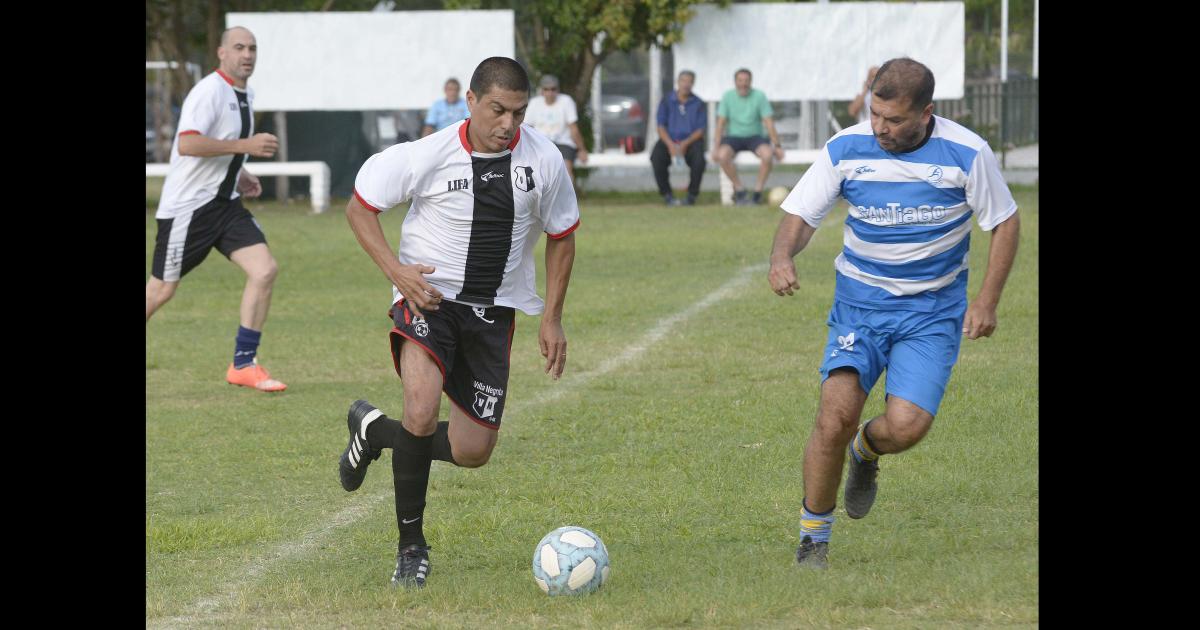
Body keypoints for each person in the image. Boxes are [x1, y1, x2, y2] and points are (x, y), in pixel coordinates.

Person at [767, 57, 1020, 569]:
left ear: (927, 112)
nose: (881, 128)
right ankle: (813, 536)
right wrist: (781, 256)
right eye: (875, 114)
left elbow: (1006, 223)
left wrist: (987, 300)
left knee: (906, 427)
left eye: (894, 119)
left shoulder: (967, 153)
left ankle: (866, 452)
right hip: (860, 307)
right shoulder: (846, 148)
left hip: (932, 311)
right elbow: (800, 214)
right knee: (834, 416)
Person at [339, 56, 579, 588]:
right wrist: (397, 272)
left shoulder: (544, 161)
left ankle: (374, 430)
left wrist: (553, 319)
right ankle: (411, 547)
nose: (508, 125)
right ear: (470, 101)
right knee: (421, 411)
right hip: (429, 298)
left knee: (473, 451)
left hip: (493, 313)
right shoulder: (428, 154)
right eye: (497, 110)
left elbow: (563, 238)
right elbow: (361, 208)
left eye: (518, 113)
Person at [146, 26, 286, 392]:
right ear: (221, 53)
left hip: (224, 205)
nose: (247, 55)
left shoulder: (244, 92)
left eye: (253, 48)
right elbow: (188, 144)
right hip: (189, 209)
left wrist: (240, 171)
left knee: (264, 270)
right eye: (239, 47)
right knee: (160, 291)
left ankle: (243, 363)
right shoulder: (209, 91)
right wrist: (246, 146)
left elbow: (223, 144)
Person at [712, 68, 785, 205]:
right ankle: (740, 191)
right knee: (722, 156)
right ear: (735, 82)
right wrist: (715, 147)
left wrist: (777, 146)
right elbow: (720, 124)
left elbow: (769, 123)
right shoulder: (727, 96)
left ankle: (757, 193)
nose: (743, 84)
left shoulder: (759, 96)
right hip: (733, 137)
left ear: (751, 82)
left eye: (746, 81)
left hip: (755, 136)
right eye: (740, 80)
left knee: (768, 155)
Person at [650, 70, 707, 206]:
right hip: (669, 139)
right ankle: (667, 195)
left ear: (693, 84)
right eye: (683, 81)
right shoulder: (667, 100)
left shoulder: (698, 103)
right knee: (656, 157)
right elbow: (660, 126)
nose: (686, 85)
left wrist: (684, 144)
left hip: (691, 140)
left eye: (689, 81)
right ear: (678, 82)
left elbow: (700, 130)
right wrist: (670, 144)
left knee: (699, 161)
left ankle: (692, 195)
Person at [524, 74, 588, 185]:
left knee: (566, 170)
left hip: (563, 143)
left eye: (553, 89)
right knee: (535, 171)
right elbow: (527, 129)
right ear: (542, 91)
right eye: (546, 89)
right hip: (540, 143)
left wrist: (581, 149)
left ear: (558, 90)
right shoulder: (534, 103)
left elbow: (573, 129)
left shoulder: (566, 101)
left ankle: (567, 199)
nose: (550, 92)